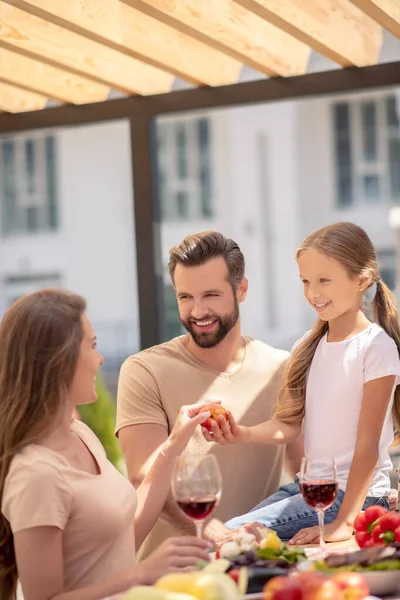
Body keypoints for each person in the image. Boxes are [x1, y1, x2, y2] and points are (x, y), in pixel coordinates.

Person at [0, 290, 212, 600]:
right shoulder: (37, 474)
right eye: (92, 346)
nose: (100, 358)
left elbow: (122, 536)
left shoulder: (81, 435)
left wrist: (174, 443)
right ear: (59, 360)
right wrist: (141, 573)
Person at [204, 222, 400, 545]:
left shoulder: (375, 348)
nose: (313, 293)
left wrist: (346, 521)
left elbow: (366, 446)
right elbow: (289, 424)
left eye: (324, 280)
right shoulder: (307, 347)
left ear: (362, 280)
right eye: (306, 281)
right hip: (309, 487)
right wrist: (242, 433)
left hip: (357, 498)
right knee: (227, 534)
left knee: (230, 536)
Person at [116, 231, 304, 558]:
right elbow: (143, 475)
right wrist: (219, 534)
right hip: (174, 576)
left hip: (257, 565)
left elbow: (306, 469)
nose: (197, 311)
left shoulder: (281, 368)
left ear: (241, 289)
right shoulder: (144, 370)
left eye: (211, 295)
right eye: (185, 296)